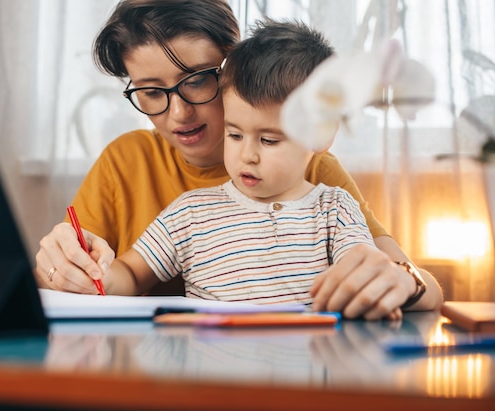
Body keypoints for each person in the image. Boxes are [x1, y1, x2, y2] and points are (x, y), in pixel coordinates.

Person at [35, 0, 443, 320]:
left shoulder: (315, 175)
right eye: (151, 92)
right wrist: (65, 268)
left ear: (233, 66)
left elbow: (412, 280)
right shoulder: (129, 163)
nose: (178, 113)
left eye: (196, 80)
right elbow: (97, 279)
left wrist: (400, 280)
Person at [77, 18, 380, 307]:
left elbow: (371, 275)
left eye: (269, 140)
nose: (247, 155)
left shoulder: (335, 208)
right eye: (233, 135)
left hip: (309, 355)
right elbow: (130, 273)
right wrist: (97, 273)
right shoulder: (190, 212)